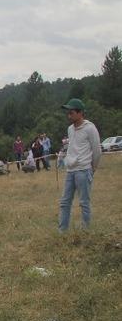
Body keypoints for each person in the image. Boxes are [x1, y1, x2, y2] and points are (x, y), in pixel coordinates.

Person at [58, 99, 101, 232]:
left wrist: (92, 168)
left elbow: (97, 150)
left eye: (71, 112)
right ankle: (62, 232)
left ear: (80, 113)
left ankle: (85, 231)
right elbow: (72, 148)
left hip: (83, 170)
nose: (69, 115)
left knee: (84, 203)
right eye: (68, 113)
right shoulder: (70, 129)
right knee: (65, 202)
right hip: (71, 170)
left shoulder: (90, 128)